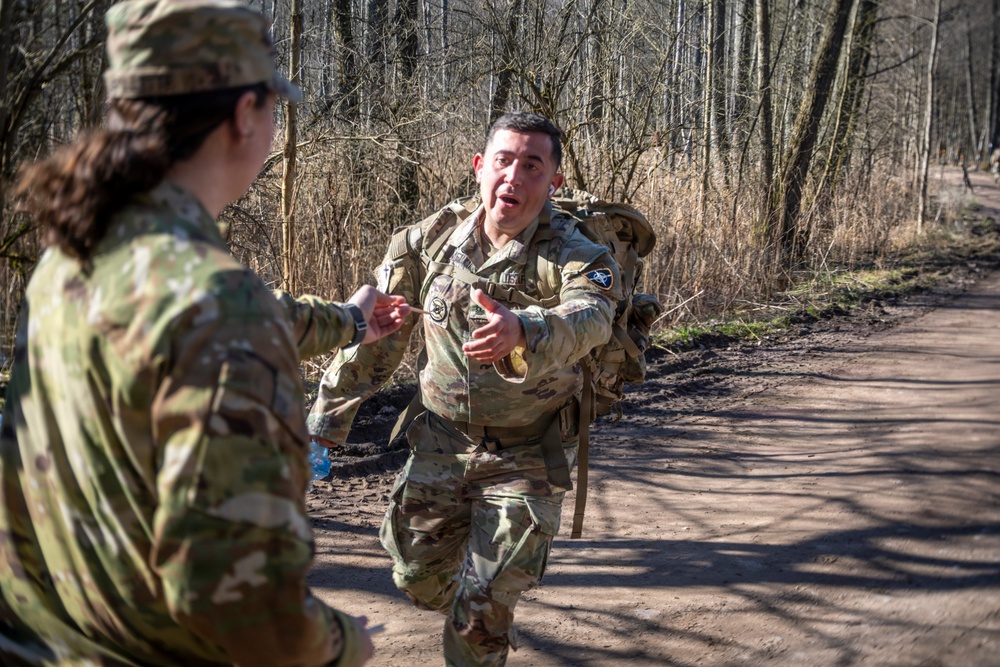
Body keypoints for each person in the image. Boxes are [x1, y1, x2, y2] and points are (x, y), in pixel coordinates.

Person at [0, 1, 410, 665]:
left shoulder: (70, 261)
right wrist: (339, 645)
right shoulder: (217, 305)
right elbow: (236, 601)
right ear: (245, 113)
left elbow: (199, 323)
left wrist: (351, 320)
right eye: (273, 106)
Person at [308, 112, 623, 666]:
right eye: (504, 161)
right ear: (479, 167)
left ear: (553, 181)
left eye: (533, 166)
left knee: (480, 609)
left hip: (528, 452)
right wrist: (326, 425)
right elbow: (376, 340)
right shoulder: (427, 241)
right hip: (441, 442)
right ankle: (476, 606)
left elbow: (592, 316)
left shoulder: (578, 254)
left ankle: (484, 616)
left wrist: (524, 328)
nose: (514, 177)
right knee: (417, 578)